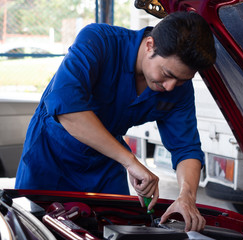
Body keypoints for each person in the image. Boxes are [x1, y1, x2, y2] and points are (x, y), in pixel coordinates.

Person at [15, 11, 216, 232]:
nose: (170, 87)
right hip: (51, 156)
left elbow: (186, 147)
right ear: (150, 45)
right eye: (167, 74)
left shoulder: (178, 88)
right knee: (37, 230)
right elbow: (67, 108)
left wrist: (186, 196)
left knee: (117, 230)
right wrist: (130, 161)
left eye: (181, 80)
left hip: (105, 163)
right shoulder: (99, 41)